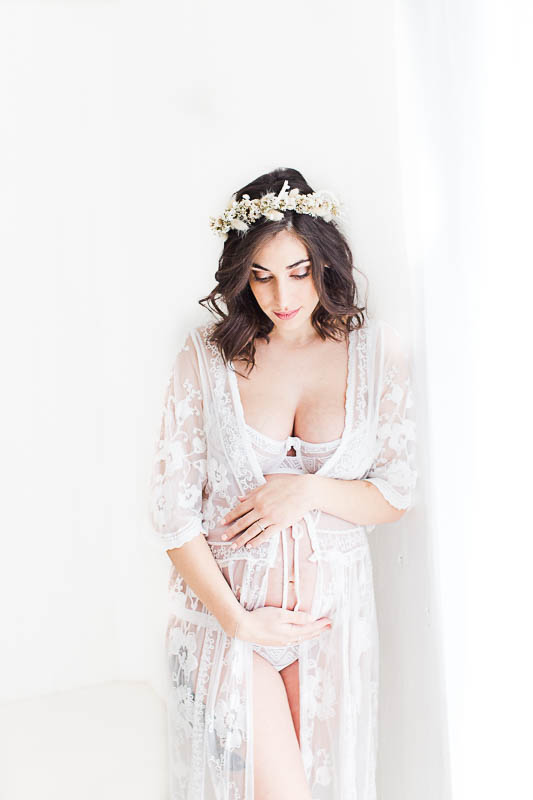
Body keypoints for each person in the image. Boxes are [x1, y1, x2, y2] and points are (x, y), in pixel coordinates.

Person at [149, 167, 418, 799]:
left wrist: (309, 491)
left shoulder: (377, 352)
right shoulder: (206, 356)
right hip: (227, 621)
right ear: (241, 275)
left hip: (332, 623)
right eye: (262, 275)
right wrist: (237, 622)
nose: (282, 294)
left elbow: (396, 493)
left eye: (298, 270)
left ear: (326, 263)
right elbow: (172, 513)